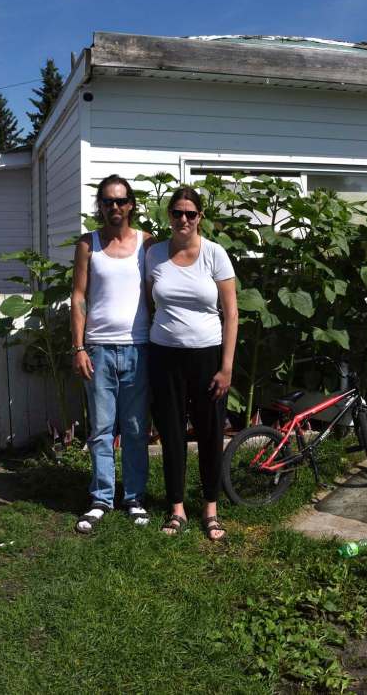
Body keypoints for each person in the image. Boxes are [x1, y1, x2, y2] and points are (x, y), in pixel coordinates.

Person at [145, 187, 238, 541]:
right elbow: (147, 302)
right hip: (164, 355)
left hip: (207, 356)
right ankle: (177, 508)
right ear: (169, 216)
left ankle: (211, 509)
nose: (183, 219)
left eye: (190, 213)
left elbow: (231, 313)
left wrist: (226, 366)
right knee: (171, 432)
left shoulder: (215, 254)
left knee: (211, 432)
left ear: (200, 217)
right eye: (177, 213)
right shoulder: (154, 255)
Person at [70, 175, 152, 533]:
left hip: (139, 348)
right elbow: (78, 297)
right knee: (101, 430)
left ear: (131, 204)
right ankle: (102, 497)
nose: (114, 207)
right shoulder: (88, 245)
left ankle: (134, 497)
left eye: (120, 201)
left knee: (135, 429)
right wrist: (78, 347)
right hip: (98, 350)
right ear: (99, 206)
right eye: (107, 201)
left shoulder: (147, 244)